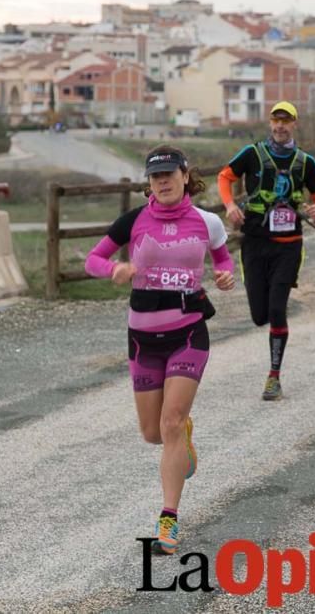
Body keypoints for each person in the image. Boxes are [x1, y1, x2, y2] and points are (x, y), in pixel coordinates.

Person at [85, 146, 236, 555]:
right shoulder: (134, 221)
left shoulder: (207, 222)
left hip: (188, 334)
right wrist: (113, 269)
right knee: (153, 433)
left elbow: (223, 261)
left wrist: (225, 276)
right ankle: (182, 435)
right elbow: (92, 259)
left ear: (186, 176)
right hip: (142, 340)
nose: (163, 182)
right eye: (155, 177)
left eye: (170, 174)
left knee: (170, 421)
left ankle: (168, 520)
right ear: (148, 183)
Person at [217, 101, 315, 401]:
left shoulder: (305, 162)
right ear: (270, 123)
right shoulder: (253, 154)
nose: (281, 126)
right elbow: (225, 177)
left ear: (294, 124)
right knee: (259, 315)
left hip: (289, 246)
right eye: (276, 121)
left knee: (277, 309)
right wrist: (229, 205)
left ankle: (274, 377)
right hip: (254, 243)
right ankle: (272, 330)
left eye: (286, 121)